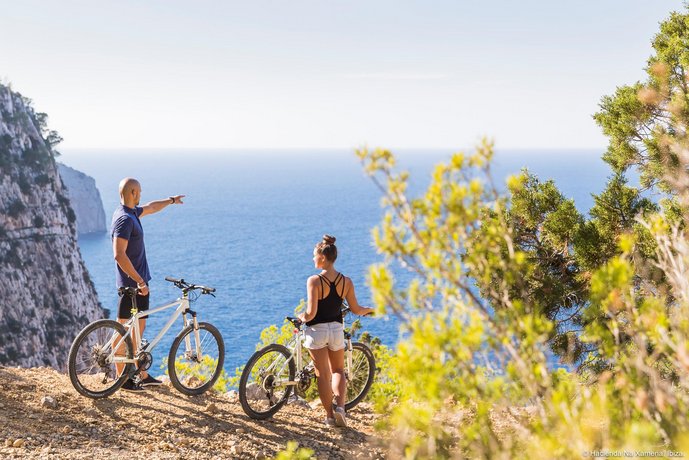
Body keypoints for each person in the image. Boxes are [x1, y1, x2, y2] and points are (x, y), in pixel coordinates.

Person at [111, 177, 185, 392]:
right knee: (124, 331)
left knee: (136, 331)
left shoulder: (130, 212)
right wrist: (139, 281)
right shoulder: (124, 219)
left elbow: (152, 207)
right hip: (132, 286)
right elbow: (119, 255)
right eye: (139, 191)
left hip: (138, 285)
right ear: (133, 193)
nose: (141, 195)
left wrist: (171, 200)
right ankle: (122, 378)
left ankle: (141, 375)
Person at [298, 235, 374, 427]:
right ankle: (340, 408)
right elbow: (356, 309)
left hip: (317, 331)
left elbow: (311, 313)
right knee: (339, 370)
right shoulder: (346, 281)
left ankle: (330, 417)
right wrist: (370, 310)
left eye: (314, 256)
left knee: (322, 374)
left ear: (322, 257)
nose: (313, 259)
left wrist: (300, 318)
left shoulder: (314, 281)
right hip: (336, 330)